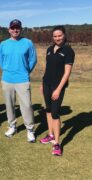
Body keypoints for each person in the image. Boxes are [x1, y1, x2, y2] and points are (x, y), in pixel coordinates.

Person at [0, 19, 37, 142]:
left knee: (27, 105)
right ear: (9, 30)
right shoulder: (3, 44)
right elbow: (0, 60)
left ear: (21, 29)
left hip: (22, 79)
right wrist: (8, 70)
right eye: (13, 28)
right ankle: (12, 126)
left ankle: (30, 130)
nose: (15, 30)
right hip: (7, 79)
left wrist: (25, 71)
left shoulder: (28, 43)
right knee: (9, 105)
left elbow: (33, 60)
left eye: (17, 28)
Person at [39, 26, 75, 156]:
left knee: (55, 113)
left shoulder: (68, 50)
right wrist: (43, 83)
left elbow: (67, 73)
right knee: (48, 110)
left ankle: (57, 143)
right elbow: (48, 67)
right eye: (55, 36)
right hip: (46, 84)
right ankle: (50, 135)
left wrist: (58, 89)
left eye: (59, 35)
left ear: (64, 35)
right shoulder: (49, 49)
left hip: (57, 86)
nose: (57, 38)